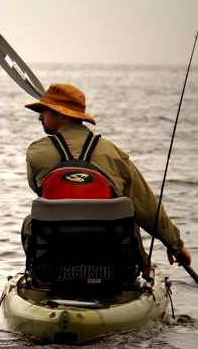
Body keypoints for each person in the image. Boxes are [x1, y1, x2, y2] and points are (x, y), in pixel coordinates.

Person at [21, 83, 192, 272]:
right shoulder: (114, 154)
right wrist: (175, 245)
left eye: (44, 111)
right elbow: (147, 206)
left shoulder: (36, 153)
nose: (39, 117)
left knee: (31, 220)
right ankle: (140, 273)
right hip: (109, 259)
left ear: (62, 115)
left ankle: (38, 276)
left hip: (56, 257)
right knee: (128, 216)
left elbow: (38, 188)